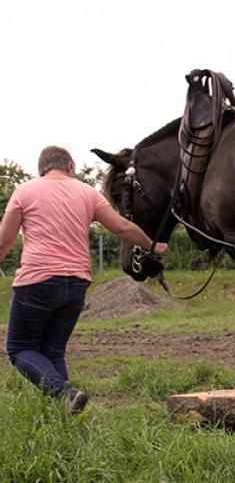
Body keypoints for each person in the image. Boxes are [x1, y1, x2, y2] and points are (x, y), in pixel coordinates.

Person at [0, 146, 169, 413]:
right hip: (77, 283)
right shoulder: (87, 192)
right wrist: (153, 245)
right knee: (53, 352)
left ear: (42, 168)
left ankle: (66, 392)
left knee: (19, 349)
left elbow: (3, 241)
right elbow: (122, 227)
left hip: (37, 281)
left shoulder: (25, 191)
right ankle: (63, 416)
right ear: (70, 167)